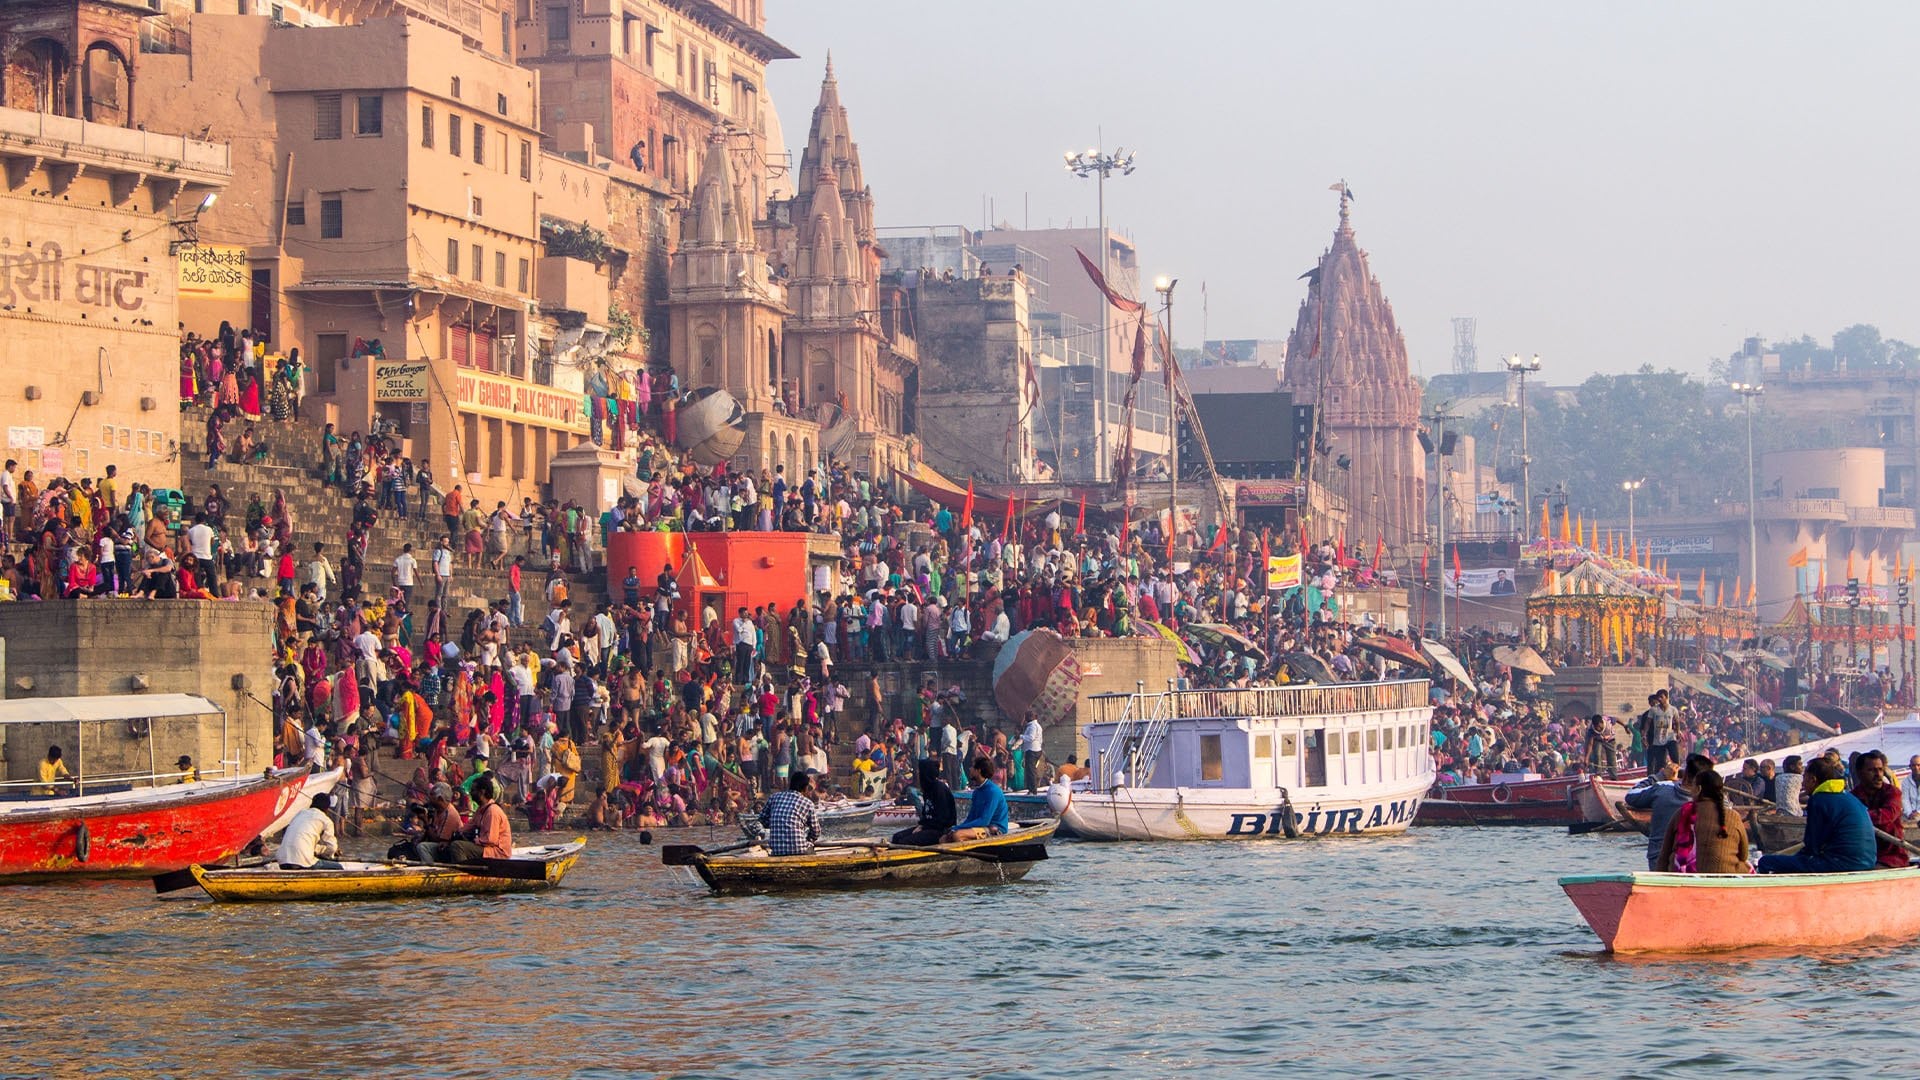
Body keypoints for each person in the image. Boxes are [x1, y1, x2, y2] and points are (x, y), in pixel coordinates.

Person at [1757, 757, 1877, 874]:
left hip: (1843, 863)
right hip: (1868, 862)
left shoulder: (1819, 799)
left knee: (1766, 861)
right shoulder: (1847, 796)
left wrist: (1791, 860)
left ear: (1813, 780)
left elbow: (1812, 846)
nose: (1803, 783)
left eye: (1804, 778)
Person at [1624, 756, 1710, 871]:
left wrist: (1661, 776)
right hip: (1695, 862)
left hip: (1658, 859)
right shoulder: (1711, 800)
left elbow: (1631, 795)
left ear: (1685, 775)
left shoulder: (1662, 788)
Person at [1656, 768, 1750, 874]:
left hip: (1683, 875)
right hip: (1726, 873)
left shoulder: (1682, 813)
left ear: (1699, 789)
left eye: (1693, 786)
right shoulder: (1734, 816)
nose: (1691, 790)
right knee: (1748, 866)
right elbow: (1744, 855)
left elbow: (1664, 855)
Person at [1852, 749, 1909, 869]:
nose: (1878, 775)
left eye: (1880, 770)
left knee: (1873, 870)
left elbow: (1887, 815)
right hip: (1862, 853)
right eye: (1872, 770)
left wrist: (1857, 817)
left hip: (1891, 855)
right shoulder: (1853, 796)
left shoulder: (1892, 792)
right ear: (1859, 773)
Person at [440, 776, 512, 864]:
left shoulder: (492, 811)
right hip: (486, 847)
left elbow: (490, 840)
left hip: (496, 852)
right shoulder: (481, 810)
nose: (470, 793)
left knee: (458, 846)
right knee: (454, 843)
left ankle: (465, 872)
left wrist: (473, 841)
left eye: (473, 790)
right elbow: (467, 826)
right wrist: (452, 837)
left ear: (482, 791)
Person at [890, 757, 956, 846]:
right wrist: (921, 826)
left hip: (940, 830)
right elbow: (926, 815)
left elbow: (943, 820)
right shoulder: (927, 789)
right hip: (928, 827)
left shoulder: (940, 789)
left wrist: (924, 827)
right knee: (897, 837)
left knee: (904, 842)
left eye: (920, 772)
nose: (917, 774)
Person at [759, 770, 821, 856]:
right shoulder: (807, 803)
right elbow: (816, 831)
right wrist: (808, 840)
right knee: (811, 851)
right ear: (805, 788)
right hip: (800, 850)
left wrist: (776, 824)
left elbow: (762, 819)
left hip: (777, 851)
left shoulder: (774, 797)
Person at [946, 756, 1008, 842]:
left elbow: (984, 821)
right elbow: (971, 817)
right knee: (944, 838)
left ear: (978, 770)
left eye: (972, 767)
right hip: (981, 827)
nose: (970, 769)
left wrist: (958, 828)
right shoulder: (977, 792)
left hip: (994, 829)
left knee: (958, 835)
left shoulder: (993, 791)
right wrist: (955, 828)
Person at [274, 792, 342, 870]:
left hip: (282, 860)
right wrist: (329, 852)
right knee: (338, 867)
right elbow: (332, 848)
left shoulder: (300, 813)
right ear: (327, 808)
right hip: (303, 861)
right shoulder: (326, 821)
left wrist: (319, 849)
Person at [1638, 690, 1679, 772]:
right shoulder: (1652, 711)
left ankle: (1678, 776)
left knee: (1675, 758)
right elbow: (1647, 724)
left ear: (1666, 698)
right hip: (1656, 740)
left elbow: (1676, 722)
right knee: (1659, 763)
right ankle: (1655, 779)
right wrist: (1644, 737)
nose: (1660, 699)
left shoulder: (1673, 710)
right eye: (1658, 698)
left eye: (1661, 697)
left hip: (1670, 738)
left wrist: (1678, 733)